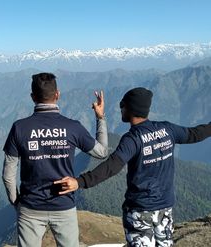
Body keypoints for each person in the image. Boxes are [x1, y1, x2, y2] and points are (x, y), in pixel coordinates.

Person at [54, 87, 211, 247]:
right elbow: (194, 134)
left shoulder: (132, 139)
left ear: (129, 108)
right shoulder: (167, 129)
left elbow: (111, 167)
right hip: (165, 208)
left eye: (122, 105)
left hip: (140, 211)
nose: (120, 109)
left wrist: (80, 182)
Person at [2, 72, 109, 247]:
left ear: (32, 97)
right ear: (57, 95)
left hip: (30, 208)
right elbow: (102, 152)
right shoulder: (73, 127)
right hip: (64, 206)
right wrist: (100, 117)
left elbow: (8, 175)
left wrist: (17, 203)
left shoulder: (19, 128)